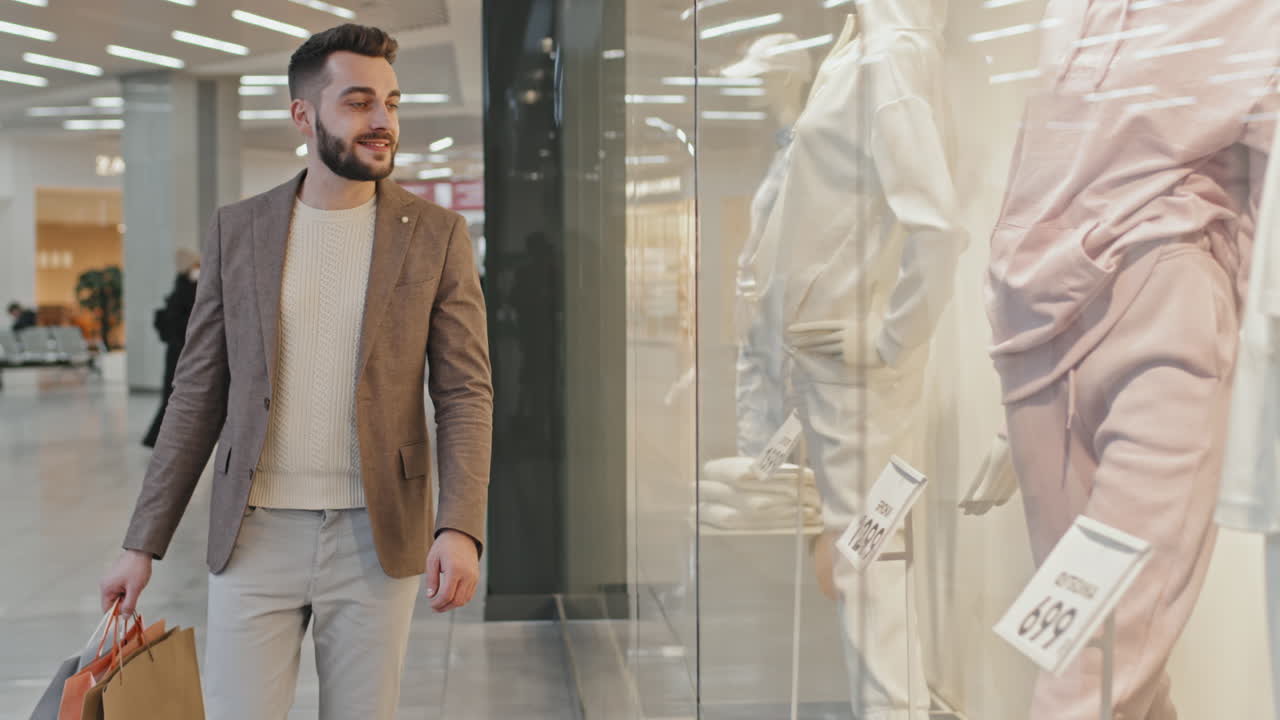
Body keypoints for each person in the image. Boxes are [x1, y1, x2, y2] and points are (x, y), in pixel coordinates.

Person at [98, 24, 493, 720]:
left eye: (391, 103)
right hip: (253, 536)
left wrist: (458, 526)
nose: (382, 121)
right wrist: (141, 544)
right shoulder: (239, 229)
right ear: (303, 115)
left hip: (377, 534)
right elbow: (197, 392)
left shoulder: (437, 236)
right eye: (359, 102)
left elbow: (464, 392)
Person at [142, 248, 200, 448]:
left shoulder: (181, 286)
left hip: (177, 351)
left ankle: (160, 437)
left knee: (172, 395)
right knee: (174, 396)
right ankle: (160, 438)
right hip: (182, 351)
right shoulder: (188, 288)